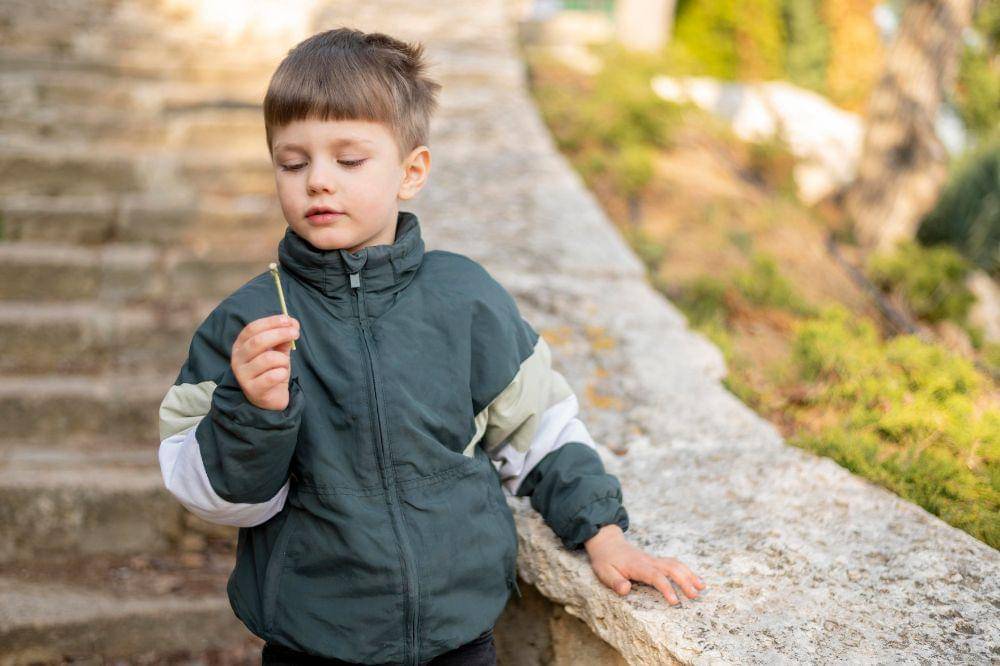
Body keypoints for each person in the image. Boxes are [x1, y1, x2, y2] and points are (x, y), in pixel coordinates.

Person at [157, 26, 704, 666]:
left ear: (410, 171)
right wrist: (253, 411)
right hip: (314, 637)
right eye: (293, 162)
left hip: (458, 631)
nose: (318, 183)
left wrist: (604, 535)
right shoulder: (248, 321)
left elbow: (541, 432)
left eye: (349, 160)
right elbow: (214, 498)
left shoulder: (465, 298)